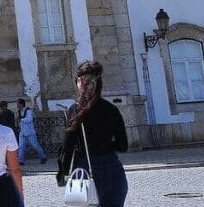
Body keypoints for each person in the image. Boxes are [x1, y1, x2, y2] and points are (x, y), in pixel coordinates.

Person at [57, 61, 128, 207]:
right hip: (113, 169)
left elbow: (67, 148)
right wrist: (106, 146)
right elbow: (123, 145)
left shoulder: (75, 111)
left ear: (81, 82)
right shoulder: (112, 109)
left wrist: (62, 173)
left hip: (86, 170)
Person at [16, 98, 47, 165]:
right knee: (21, 147)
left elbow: (29, 119)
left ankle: (43, 157)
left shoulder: (28, 111)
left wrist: (21, 120)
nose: (17, 105)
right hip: (22, 132)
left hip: (30, 132)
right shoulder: (19, 111)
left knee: (35, 146)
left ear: (21, 104)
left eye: (18, 103)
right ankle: (21, 161)